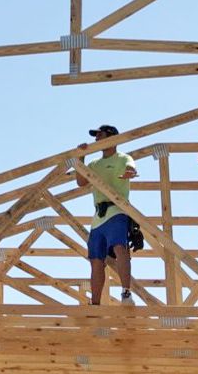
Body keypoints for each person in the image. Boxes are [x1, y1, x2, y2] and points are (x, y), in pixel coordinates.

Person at [76, 124, 138, 306]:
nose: (96, 139)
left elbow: (130, 167)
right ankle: (95, 303)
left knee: (120, 247)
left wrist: (129, 173)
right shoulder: (94, 164)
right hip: (99, 216)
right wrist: (81, 157)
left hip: (116, 209)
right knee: (95, 259)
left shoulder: (122, 158)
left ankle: (126, 293)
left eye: (100, 135)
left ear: (112, 138)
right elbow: (80, 182)